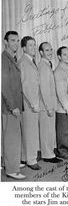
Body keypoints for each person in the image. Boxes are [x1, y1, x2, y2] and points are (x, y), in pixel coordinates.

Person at [1, 31, 26, 179]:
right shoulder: (4, 59)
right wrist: (12, 106)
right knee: (12, 138)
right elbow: (4, 85)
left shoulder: (11, 58)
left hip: (12, 105)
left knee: (11, 136)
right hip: (9, 107)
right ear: (5, 42)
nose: (16, 43)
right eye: (12, 40)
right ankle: (11, 170)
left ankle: (10, 162)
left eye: (17, 40)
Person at [18, 36, 41, 170]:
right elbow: (26, 85)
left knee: (28, 131)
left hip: (30, 102)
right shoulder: (24, 63)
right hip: (29, 103)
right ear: (24, 48)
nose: (33, 48)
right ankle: (31, 160)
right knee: (31, 132)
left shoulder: (30, 61)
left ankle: (25, 157)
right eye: (30, 45)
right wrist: (33, 103)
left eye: (34, 45)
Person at [38, 42, 62, 163]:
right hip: (46, 106)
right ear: (41, 53)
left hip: (50, 104)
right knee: (47, 131)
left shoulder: (47, 64)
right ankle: (48, 155)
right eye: (47, 50)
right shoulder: (43, 66)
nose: (50, 52)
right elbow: (44, 89)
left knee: (49, 130)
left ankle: (49, 153)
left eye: (51, 50)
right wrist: (49, 107)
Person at [54, 46, 68, 160]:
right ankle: (62, 151)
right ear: (59, 57)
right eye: (65, 54)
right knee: (64, 131)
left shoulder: (67, 68)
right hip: (63, 107)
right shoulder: (59, 71)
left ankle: (67, 150)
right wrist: (67, 106)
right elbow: (61, 91)